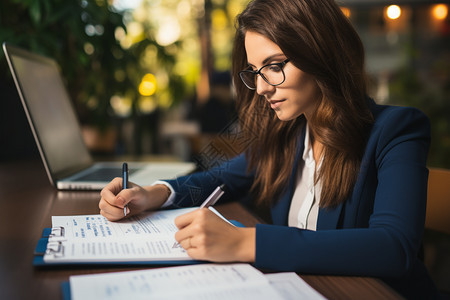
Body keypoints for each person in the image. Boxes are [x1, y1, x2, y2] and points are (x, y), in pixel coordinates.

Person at [99, 0, 438, 297]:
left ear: (321, 53)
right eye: (254, 71)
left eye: (275, 66)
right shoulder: (288, 134)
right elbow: (222, 178)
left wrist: (244, 242)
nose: (260, 87)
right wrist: (154, 193)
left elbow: (393, 247)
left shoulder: (396, 130)